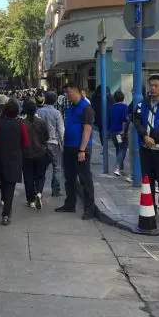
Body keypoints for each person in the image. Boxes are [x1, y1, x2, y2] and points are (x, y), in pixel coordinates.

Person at [56, 82, 96, 220]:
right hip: (69, 148)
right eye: (66, 93)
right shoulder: (71, 107)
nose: (67, 96)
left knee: (85, 179)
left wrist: (82, 150)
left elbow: (87, 129)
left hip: (81, 149)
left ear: (77, 91)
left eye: (69, 93)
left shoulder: (86, 108)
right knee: (69, 178)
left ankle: (89, 208)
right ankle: (70, 204)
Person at [134, 75, 159, 223]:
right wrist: (144, 136)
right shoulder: (143, 104)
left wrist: (155, 138)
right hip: (145, 149)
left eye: (156, 85)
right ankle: (151, 209)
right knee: (148, 181)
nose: (153, 89)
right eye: (151, 86)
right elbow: (136, 121)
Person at [0, 100, 29, 225]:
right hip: (15, 158)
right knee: (10, 185)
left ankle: (4, 202)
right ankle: (6, 213)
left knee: (3, 181)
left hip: (1, 157)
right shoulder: (21, 125)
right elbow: (25, 143)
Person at [22, 99, 49, 209]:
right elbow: (46, 137)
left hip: (27, 154)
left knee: (28, 177)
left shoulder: (22, 123)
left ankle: (31, 200)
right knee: (40, 175)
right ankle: (39, 192)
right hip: (40, 152)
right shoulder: (41, 122)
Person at [37, 91, 65, 197]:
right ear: (55, 101)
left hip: (41, 144)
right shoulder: (57, 113)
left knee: (41, 167)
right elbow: (61, 131)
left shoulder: (39, 112)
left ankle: (38, 190)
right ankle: (55, 190)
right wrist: (63, 145)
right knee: (57, 167)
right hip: (53, 143)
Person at [110, 91, 129, 176]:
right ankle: (117, 168)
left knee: (118, 148)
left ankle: (120, 168)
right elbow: (124, 120)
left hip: (113, 132)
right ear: (123, 98)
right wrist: (123, 131)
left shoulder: (111, 107)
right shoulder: (124, 107)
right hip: (121, 132)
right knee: (123, 149)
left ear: (114, 98)